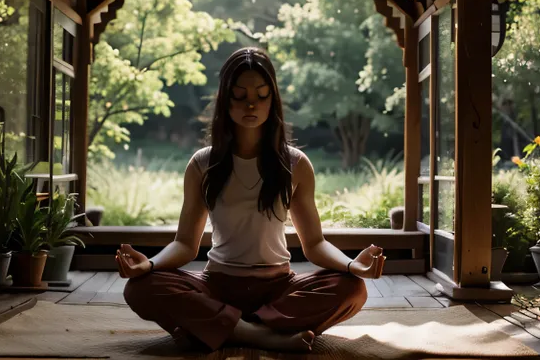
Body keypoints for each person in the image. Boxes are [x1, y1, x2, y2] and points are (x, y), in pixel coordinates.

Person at [115, 47, 385, 353]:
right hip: (216, 285)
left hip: (278, 288)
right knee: (141, 288)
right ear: (224, 101)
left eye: (261, 94)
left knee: (351, 289)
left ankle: (221, 329)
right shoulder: (202, 165)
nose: (251, 103)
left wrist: (353, 266)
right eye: (239, 95)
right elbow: (185, 245)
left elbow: (315, 245)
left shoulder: (295, 164)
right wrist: (148, 265)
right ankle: (261, 334)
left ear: (273, 99)